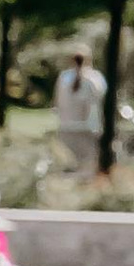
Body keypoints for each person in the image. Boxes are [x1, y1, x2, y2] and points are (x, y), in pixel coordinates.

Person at [51, 48, 106, 178]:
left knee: (68, 166)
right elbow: (97, 103)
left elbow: (57, 102)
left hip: (66, 126)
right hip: (86, 128)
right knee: (87, 167)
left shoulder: (64, 77)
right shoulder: (94, 78)